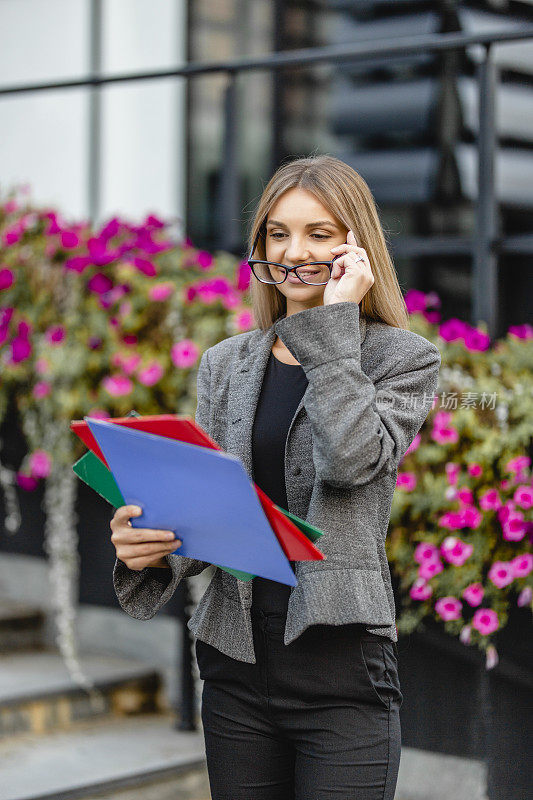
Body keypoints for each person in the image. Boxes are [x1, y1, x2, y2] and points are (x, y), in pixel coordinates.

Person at [110, 154, 441, 799]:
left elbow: (350, 461)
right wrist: (146, 550)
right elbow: (211, 507)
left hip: (342, 673)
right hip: (236, 666)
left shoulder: (403, 359)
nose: (295, 252)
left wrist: (333, 331)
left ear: (357, 246)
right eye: (277, 233)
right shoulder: (226, 363)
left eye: (320, 234)